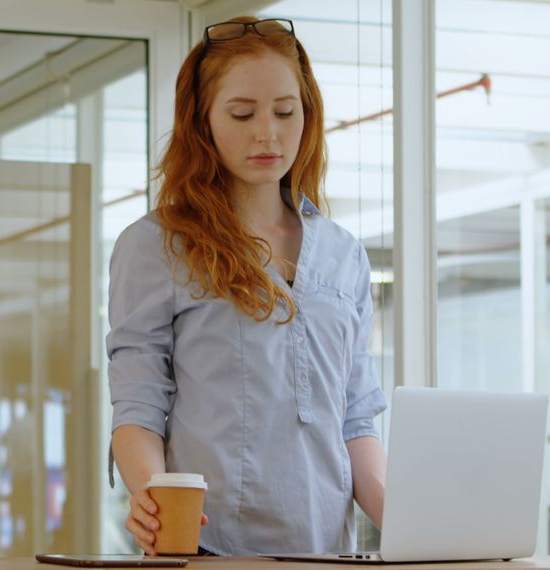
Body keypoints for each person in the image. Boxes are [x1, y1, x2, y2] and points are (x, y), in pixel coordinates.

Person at [106, 16, 389, 557]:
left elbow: (354, 418)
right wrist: (149, 491)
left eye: (286, 111)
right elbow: (138, 405)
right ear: (202, 122)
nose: (268, 133)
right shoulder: (156, 246)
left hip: (328, 553)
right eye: (242, 114)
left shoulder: (344, 254)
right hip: (207, 550)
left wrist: (410, 522)